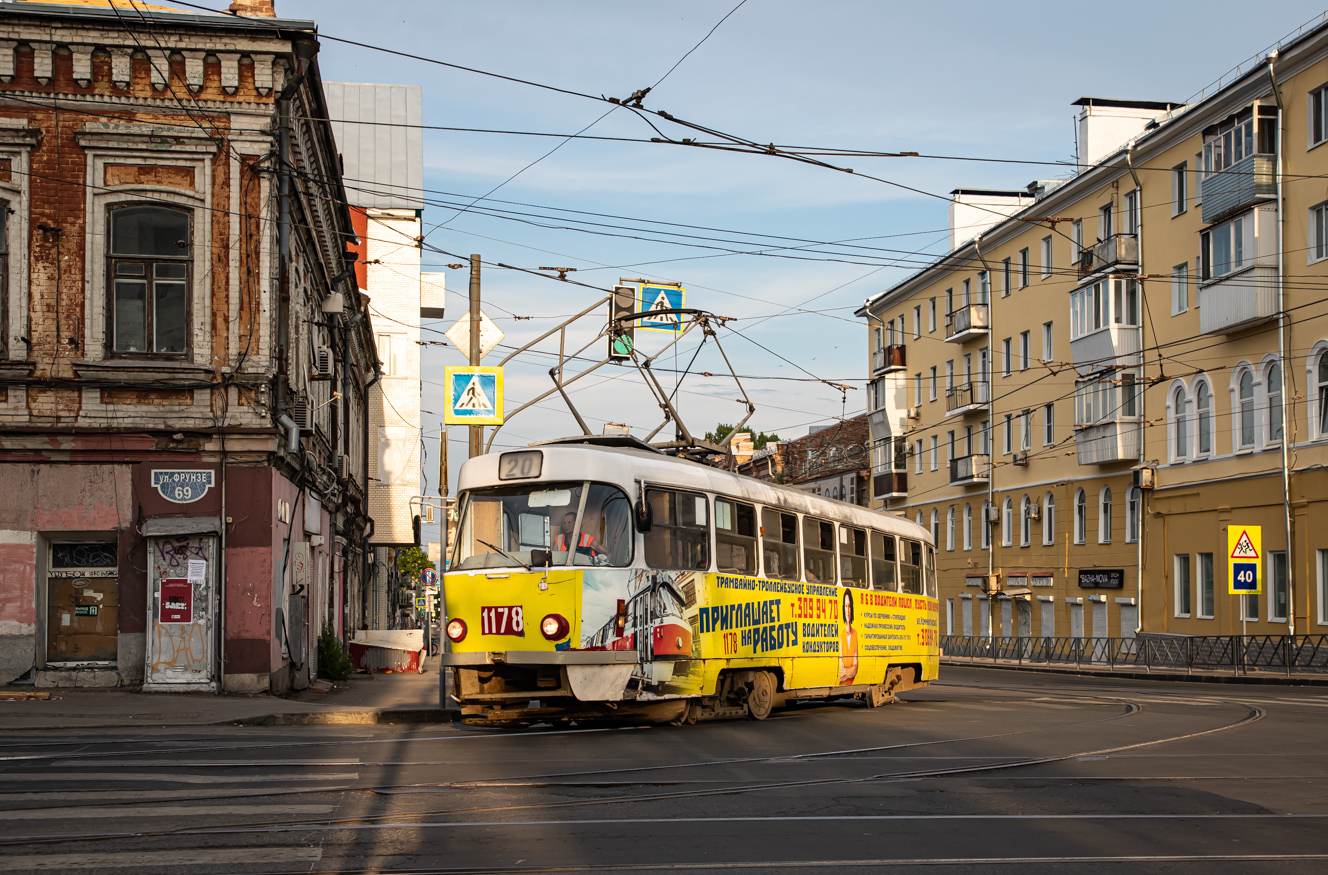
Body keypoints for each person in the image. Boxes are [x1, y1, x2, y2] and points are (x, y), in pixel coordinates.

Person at [838, 589, 859, 685]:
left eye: (849, 606)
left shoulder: (855, 634)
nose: (848, 610)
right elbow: (839, 674)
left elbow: (854, 670)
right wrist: (849, 672)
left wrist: (845, 672)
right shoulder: (840, 636)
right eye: (846, 606)